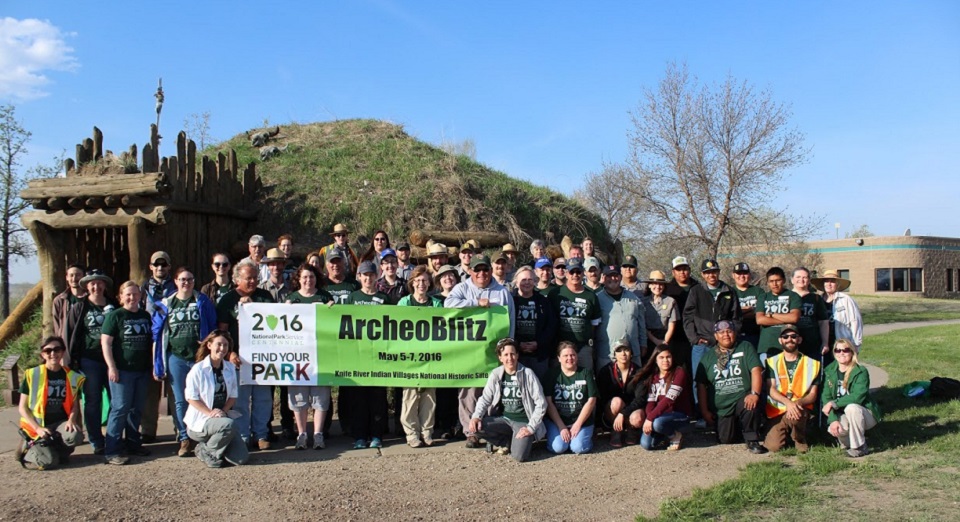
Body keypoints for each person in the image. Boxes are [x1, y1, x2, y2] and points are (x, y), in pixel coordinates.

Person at [445, 254, 516, 448]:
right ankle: (471, 431)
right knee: (468, 392)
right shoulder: (462, 288)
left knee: (492, 392)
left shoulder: (502, 292)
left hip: (494, 351)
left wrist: (509, 348)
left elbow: (511, 319)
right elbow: (448, 305)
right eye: (477, 270)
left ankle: (489, 430)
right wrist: (475, 303)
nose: (482, 273)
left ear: (491, 271)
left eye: (485, 269)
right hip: (468, 352)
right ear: (471, 271)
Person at [152, 267, 218, 457]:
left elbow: (212, 327)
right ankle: (184, 437)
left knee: (203, 397)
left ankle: (200, 434)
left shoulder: (202, 301)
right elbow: (157, 335)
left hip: (198, 357)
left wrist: (206, 341)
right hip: (176, 357)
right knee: (181, 400)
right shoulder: (166, 304)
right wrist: (157, 362)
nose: (186, 282)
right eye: (182, 279)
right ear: (175, 281)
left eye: (189, 279)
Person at [216, 260, 276, 450]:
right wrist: (230, 352)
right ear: (237, 279)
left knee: (263, 398)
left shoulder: (265, 296)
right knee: (240, 400)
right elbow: (222, 331)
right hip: (239, 359)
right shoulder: (227, 300)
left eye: (255, 278)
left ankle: (261, 434)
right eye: (248, 278)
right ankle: (243, 435)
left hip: (263, 358)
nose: (252, 281)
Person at [101, 281, 154, 465]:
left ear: (140, 296)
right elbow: (106, 343)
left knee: (136, 409)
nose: (132, 298)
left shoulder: (145, 316)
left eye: (135, 294)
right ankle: (112, 449)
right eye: (128, 295)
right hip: (122, 371)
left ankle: (133, 443)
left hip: (142, 370)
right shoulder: (115, 316)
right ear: (121, 296)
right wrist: (112, 366)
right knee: (120, 408)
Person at [64, 269, 116, 454]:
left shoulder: (113, 305)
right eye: (92, 283)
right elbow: (69, 334)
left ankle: (113, 436)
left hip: (111, 360)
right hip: (89, 360)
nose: (96, 286)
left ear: (104, 285)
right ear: (86, 286)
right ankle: (96, 440)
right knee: (93, 401)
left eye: (100, 282)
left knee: (115, 400)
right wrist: (70, 361)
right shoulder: (79, 308)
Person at [469, 338, 547, 462]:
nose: (509, 358)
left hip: (523, 422)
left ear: (517, 355)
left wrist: (531, 427)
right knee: (474, 427)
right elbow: (485, 398)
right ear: (500, 358)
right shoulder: (496, 374)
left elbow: (541, 403)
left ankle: (523, 441)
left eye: (512, 354)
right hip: (504, 420)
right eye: (505, 355)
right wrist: (476, 416)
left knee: (519, 457)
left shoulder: (528, 374)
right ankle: (507, 442)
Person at [696, 320, 767, 454]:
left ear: (734, 333)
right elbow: (701, 385)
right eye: (721, 332)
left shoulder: (745, 347)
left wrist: (754, 393)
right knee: (725, 439)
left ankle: (752, 438)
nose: (726, 335)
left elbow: (756, 370)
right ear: (716, 336)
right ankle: (740, 429)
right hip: (722, 406)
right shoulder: (708, 357)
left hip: (742, 397)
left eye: (729, 331)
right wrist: (704, 411)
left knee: (751, 405)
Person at [16, 337, 85, 470]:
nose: (53, 353)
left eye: (57, 349)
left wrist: (71, 421)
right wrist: (37, 428)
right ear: (43, 354)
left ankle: (58, 452)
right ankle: (26, 449)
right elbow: (22, 407)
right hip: (37, 425)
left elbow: (75, 405)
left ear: (63, 352)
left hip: (59, 422)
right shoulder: (32, 374)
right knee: (48, 463)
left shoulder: (72, 376)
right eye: (48, 350)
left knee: (74, 435)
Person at [183, 331, 249, 467]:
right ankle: (206, 451)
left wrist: (223, 411)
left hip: (221, 419)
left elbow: (233, 396)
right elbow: (191, 398)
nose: (222, 348)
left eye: (225, 345)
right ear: (209, 345)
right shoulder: (198, 369)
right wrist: (210, 413)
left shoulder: (230, 368)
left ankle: (215, 447)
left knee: (241, 459)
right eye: (219, 344)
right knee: (228, 425)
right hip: (201, 421)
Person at [286, 264, 334, 449]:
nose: (308, 280)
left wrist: (332, 309)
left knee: (320, 396)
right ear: (299, 278)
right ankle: (302, 434)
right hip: (297, 355)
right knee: (299, 396)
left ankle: (318, 434)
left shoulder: (324, 297)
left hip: (320, 354)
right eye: (305, 277)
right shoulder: (292, 299)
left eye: (311, 277)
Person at [344, 260, 391, 449]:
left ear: (376, 276)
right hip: (358, 356)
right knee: (359, 400)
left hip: (378, 356)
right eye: (364, 275)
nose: (368, 278)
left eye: (371, 275)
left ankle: (377, 434)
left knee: (378, 398)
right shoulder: (352, 297)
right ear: (359, 277)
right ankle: (359, 436)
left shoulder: (384, 298)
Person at [683, 259, 742, 402]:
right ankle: (701, 414)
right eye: (708, 273)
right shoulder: (696, 291)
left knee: (724, 379)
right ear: (703, 275)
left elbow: (737, 318)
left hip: (723, 345)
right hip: (701, 344)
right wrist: (695, 339)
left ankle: (722, 413)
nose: (711, 275)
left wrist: (729, 338)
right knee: (700, 380)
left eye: (714, 272)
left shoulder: (729, 291)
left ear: (719, 272)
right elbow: (687, 317)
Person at [397, 266, 442, 447]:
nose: (421, 284)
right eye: (418, 280)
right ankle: (411, 434)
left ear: (429, 283)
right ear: (412, 283)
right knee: (410, 396)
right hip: (409, 358)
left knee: (429, 397)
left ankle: (427, 431)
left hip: (431, 358)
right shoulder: (404, 303)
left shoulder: (436, 304)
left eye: (424, 280)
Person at [763, 324, 820, 453]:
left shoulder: (812, 364)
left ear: (799, 340)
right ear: (780, 340)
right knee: (773, 447)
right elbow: (771, 389)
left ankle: (799, 439)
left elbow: (813, 394)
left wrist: (797, 403)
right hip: (778, 410)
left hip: (800, 409)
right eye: (785, 336)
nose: (790, 339)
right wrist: (788, 403)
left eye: (793, 336)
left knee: (796, 414)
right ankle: (787, 435)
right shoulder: (772, 362)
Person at [624, 344, 693, 451]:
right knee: (646, 445)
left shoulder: (679, 372)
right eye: (661, 357)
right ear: (655, 360)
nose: (665, 360)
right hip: (660, 416)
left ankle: (674, 435)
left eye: (668, 357)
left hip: (679, 414)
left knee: (657, 423)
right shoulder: (654, 377)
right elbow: (651, 402)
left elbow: (669, 400)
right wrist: (648, 419)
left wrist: (651, 418)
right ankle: (664, 433)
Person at [822, 338, 880, 458]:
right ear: (834, 353)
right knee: (835, 429)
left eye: (846, 350)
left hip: (864, 413)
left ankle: (859, 447)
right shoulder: (829, 371)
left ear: (852, 352)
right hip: (841, 414)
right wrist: (833, 420)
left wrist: (834, 403)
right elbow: (826, 398)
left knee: (852, 408)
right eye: (837, 350)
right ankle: (850, 441)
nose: (841, 353)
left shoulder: (860, 371)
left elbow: (857, 397)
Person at [259, 247, 295, 440]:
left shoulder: (292, 289)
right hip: (267, 347)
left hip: (289, 346)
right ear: (268, 266)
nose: (276, 267)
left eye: (279, 263)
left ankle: (288, 424)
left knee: (287, 388)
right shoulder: (261, 290)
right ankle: (266, 427)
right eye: (272, 264)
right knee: (268, 390)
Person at [544, 341, 598, 454]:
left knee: (578, 448)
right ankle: (564, 439)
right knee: (559, 448)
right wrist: (561, 427)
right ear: (559, 358)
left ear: (577, 356)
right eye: (565, 355)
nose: (570, 358)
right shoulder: (552, 374)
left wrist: (578, 424)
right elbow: (548, 402)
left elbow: (592, 400)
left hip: (581, 420)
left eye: (572, 355)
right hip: (558, 420)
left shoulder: (585, 373)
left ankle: (584, 439)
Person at [550, 258, 602, 372]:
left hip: (583, 347)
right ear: (566, 273)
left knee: (585, 377)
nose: (575, 275)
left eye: (578, 272)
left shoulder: (591, 296)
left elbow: (594, 324)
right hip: (561, 347)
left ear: (583, 273)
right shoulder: (555, 294)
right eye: (572, 272)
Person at [430, 264, 461, 439]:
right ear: (439, 281)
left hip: (459, 351)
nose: (448, 279)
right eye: (444, 276)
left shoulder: (464, 298)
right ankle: (444, 427)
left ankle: (459, 424)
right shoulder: (433, 301)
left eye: (451, 276)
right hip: (439, 354)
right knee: (443, 392)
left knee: (459, 391)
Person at [511, 266, 557, 381]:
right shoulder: (510, 301)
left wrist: (538, 343)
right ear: (516, 282)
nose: (527, 283)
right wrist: (517, 344)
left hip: (539, 355)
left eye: (530, 280)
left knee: (539, 387)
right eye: (523, 280)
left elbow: (551, 326)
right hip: (517, 354)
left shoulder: (544, 301)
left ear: (535, 282)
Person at [596, 265, 647, 369]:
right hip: (607, 354)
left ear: (620, 277)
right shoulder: (597, 299)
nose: (612, 279)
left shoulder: (634, 298)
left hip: (633, 353)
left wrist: (643, 344)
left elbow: (641, 324)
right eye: (609, 276)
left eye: (615, 275)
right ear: (603, 278)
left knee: (634, 383)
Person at [597, 340, 641, 447]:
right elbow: (601, 398)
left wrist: (623, 413)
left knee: (637, 419)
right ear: (614, 354)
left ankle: (631, 429)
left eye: (626, 350)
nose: (623, 354)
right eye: (619, 350)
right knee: (616, 401)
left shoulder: (639, 372)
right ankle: (615, 430)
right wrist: (597, 423)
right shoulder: (606, 371)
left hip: (632, 409)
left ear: (631, 353)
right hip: (612, 410)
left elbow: (641, 399)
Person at [812, 269, 863, 358]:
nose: (829, 284)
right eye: (826, 281)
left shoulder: (846, 300)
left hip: (842, 345)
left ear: (837, 284)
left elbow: (856, 322)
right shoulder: (817, 300)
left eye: (832, 281)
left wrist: (856, 345)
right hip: (822, 344)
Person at [756, 267, 802, 358]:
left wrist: (772, 315)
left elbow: (794, 318)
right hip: (767, 346)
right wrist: (786, 320)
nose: (775, 284)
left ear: (784, 280)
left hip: (788, 345)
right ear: (768, 282)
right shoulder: (763, 297)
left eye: (778, 280)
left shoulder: (793, 296)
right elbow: (760, 320)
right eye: (771, 281)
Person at [665, 256, 698, 369]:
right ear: (673, 272)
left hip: (696, 335)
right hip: (676, 337)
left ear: (689, 270)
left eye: (684, 269)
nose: (682, 272)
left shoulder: (698, 288)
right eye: (679, 269)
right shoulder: (667, 289)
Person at [791, 267, 830, 360]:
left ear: (809, 280)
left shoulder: (816, 298)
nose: (801, 280)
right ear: (792, 280)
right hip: (791, 343)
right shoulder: (786, 296)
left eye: (805, 277)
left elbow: (823, 322)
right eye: (798, 277)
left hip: (811, 343)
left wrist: (825, 342)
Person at [641, 270, 677, 354]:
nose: (658, 286)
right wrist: (654, 340)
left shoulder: (671, 301)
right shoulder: (642, 302)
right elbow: (642, 324)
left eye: (660, 284)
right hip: (648, 339)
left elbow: (671, 326)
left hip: (665, 338)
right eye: (654, 283)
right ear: (649, 285)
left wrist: (664, 342)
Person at [732, 262, 762, 348]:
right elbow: (729, 314)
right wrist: (750, 309)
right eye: (739, 273)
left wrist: (739, 311)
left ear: (749, 275)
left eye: (745, 273)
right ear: (733, 275)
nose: (742, 276)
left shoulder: (758, 291)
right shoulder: (729, 291)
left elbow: (760, 312)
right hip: (735, 336)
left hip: (755, 335)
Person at [53, 263, 86, 339]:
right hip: (66, 341)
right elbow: (57, 325)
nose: (74, 279)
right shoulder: (60, 300)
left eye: (78, 275)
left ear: (84, 277)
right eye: (71, 275)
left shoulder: (90, 298)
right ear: (67, 277)